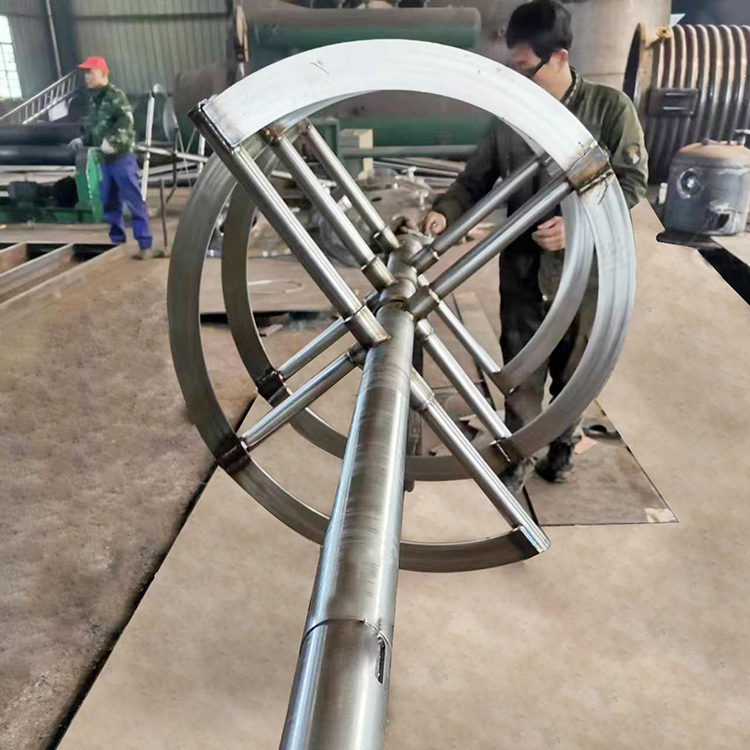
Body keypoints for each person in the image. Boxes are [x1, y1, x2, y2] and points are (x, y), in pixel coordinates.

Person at [422, 0, 648, 494]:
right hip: (523, 270)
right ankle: (517, 453)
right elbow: (474, 180)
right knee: (520, 368)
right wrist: (444, 211)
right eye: (513, 69)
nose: (518, 81)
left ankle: (563, 444)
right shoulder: (511, 116)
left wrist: (578, 227)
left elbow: (631, 183)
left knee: (575, 368)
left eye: (527, 70)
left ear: (559, 57)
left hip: (585, 273)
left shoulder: (610, 109)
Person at [68, 56, 154, 260]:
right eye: (86, 73)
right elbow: (94, 128)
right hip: (105, 161)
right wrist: (82, 139)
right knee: (109, 201)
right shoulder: (94, 100)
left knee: (133, 200)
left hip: (122, 158)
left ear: (103, 74)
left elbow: (126, 122)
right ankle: (117, 241)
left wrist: (112, 141)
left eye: (91, 73)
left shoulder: (115, 96)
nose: (87, 77)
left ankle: (145, 245)